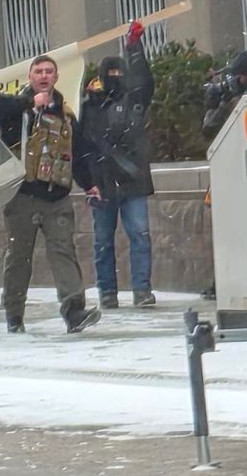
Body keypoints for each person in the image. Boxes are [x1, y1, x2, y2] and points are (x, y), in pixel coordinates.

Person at [0, 54, 102, 335]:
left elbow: (78, 152)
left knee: (64, 252)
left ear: (57, 77)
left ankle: (74, 311)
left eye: (49, 71)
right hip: (22, 196)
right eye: (38, 71)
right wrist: (29, 103)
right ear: (30, 77)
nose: (44, 76)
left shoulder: (67, 114)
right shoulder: (15, 110)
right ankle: (14, 314)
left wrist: (90, 184)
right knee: (19, 257)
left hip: (57, 197)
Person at [79, 21, 157, 310]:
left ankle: (142, 290)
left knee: (140, 235)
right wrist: (89, 182)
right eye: (109, 74)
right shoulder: (90, 104)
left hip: (132, 180)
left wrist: (134, 48)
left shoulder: (135, 98)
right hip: (102, 181)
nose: (114, 78)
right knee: (102, 241)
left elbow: (145, 80)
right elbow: (82, 146)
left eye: (118, 73)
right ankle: (107, 292)